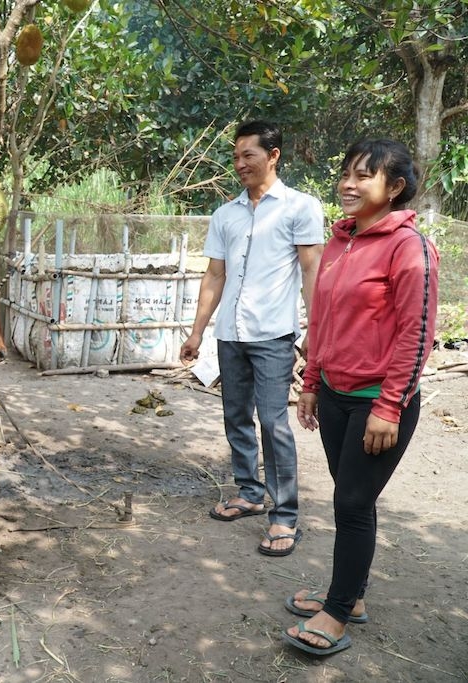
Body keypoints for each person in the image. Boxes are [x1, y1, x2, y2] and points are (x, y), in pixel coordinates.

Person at [283, 138, 439, 656]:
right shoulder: (340, 241)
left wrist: (389, 405)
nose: (348, 184)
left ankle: (338, 609)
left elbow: (415, 332)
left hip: (379, 402)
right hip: (333, 394)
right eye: (346, 172)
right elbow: (323, 320)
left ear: (394, 189)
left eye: (364, 176)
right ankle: (351, 596)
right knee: (354, 498)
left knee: (350, 502)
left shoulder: (409, 247)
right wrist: (310, 384)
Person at [180, 119, 324, 557]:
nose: (240, 164)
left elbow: (311, 272)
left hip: (273, 335)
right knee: (235, 416)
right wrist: (197, 331)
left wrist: (315, 333)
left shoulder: (300, 208)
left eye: (249, 155)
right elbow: (215, 275)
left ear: (274, 156)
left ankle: (284, 516)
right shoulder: (226, 214)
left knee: (274, 422)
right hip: (230, 335)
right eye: (236, 156)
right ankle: (249, 492)